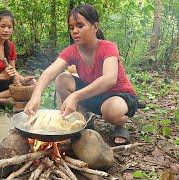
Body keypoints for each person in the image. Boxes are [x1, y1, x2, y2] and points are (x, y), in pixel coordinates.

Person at [24, 4, 138, 145]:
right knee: (62, 80)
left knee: (110, 111)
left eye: (80, 26)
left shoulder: (108, 47)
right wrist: (36, 95)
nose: (75, 31)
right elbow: (49, 73)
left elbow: (110, 79)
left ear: (95, 27)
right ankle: (82, 119)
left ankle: (121, 124)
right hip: (94, 94)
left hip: (119, 95)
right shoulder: (71, 51)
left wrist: (75, 96)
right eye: (72, 28)